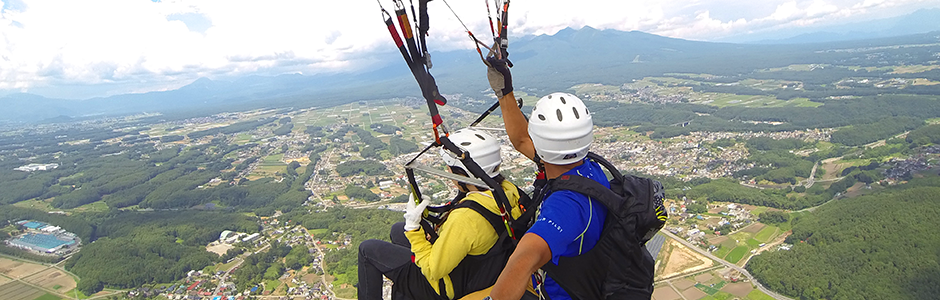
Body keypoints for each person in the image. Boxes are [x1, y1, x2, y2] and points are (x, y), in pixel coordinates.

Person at [483, 56, 648, 299]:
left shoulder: (567, 206)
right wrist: (504, 93)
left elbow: (523, 260)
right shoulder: (586, 168)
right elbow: (521, 141)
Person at [358, 128, 524, 300]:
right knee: (397, 230)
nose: (449, 173)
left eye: (451, 169)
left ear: (463, 174)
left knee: (367, 250)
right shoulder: (506, 190)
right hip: (478, 269)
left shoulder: (467, 218)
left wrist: (414, 230)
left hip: (445, 286)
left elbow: (433, 270)